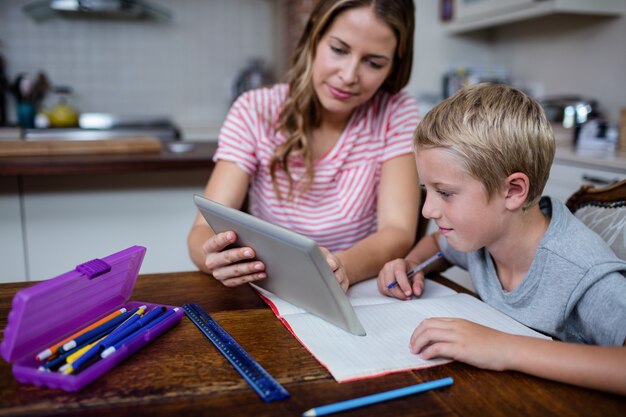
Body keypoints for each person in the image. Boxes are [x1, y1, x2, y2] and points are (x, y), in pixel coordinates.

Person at [377, 83, 626, 395]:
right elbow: (436, 248)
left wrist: (502, 348)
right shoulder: (481, 236)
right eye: (427, 190)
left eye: (445, 192)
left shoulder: (583, 271)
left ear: (512, 192)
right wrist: (412, 264)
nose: (427, 210)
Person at [188, 0, 420, 291]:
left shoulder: (396, 112)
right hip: (271, 291)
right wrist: (214, 256)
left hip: (356, 288)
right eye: (338, 49)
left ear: (393, 67)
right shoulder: (254, 110)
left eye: (373, 63)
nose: (348, 76)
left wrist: (338, 268)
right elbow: (201, 233)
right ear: (314, 37)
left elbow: (397, 231)